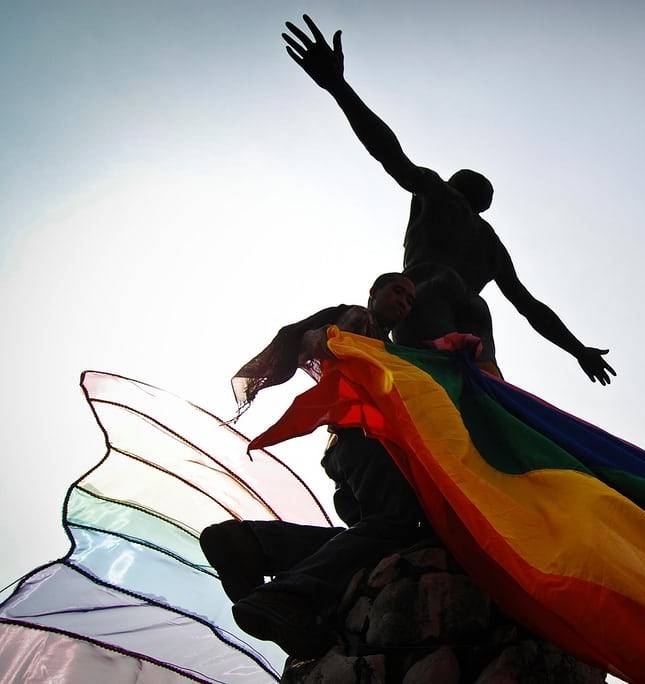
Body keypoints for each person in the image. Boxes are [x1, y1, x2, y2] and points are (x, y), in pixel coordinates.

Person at [281, 14, 616, 385]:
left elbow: (390, 155)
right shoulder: (491, 244)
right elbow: (529, 307)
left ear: (457, 186)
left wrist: (339, 88)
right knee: (480, 391)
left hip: (430, 289)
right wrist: (577, 349)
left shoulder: (440, 195)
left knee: (427, 382)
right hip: (476, 310)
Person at [202, 272, 428, 658]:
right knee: (396, 524)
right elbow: (316, 340)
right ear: (374, 292)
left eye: (410, 300)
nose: (404, 303)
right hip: (364, 440)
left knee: (376, 535)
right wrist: (327, 340)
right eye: (397, 292)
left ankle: (253, 544)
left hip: (348, 448)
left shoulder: (384, 344)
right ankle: (287, 595)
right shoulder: (358, 319)